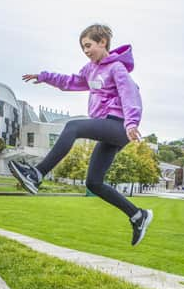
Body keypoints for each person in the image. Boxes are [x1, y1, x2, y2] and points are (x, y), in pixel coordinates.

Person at [9, 24, 153, 246]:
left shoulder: (117, 68)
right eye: (83, 48)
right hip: (107, 127)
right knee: (94, 182)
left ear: (102, 42)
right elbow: (71, 81)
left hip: (119, 125)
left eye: (89, 46)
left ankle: (37, 174)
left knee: (73, 127)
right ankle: (137, 215)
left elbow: (130, 94)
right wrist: (45, 77)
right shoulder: (90, 69)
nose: (86, 51)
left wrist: (132, 123)